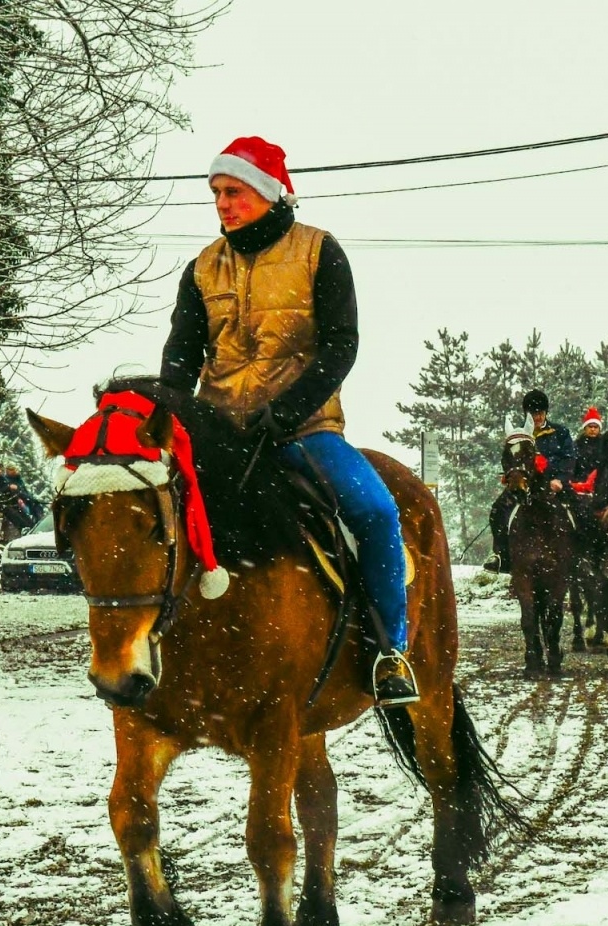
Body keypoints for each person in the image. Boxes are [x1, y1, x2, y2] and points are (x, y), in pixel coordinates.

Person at [158, 136, 417, 705]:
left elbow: (340, 345)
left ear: (270, 193)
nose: (222, 203)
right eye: (216, 194)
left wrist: (287, 412)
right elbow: (180, 357)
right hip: (219, 433)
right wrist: (167, 417)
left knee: (375, 512)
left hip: (304, 431)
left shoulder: (319, 251)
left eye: (234, 192)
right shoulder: (201, 268)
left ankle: (389, 652)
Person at [483, 389, 574, 573]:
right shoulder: (518, 435)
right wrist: (509, 475)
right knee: (498, 510)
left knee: (579, 509)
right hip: (525, 485)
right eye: (533, 413)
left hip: (553, 484)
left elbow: (569, 459)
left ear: (546, 412)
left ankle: (582, 553)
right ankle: (501, 555)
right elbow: (509, 458)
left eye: (540, 412)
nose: (537, 416)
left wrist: (559, 479)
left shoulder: (560, 432)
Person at [570, 407, 604, 494]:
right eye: (590, 426)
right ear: (585, 428)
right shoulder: (576, 445)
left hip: (599, 483)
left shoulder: (605, 444)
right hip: (579, 483)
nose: (593, 429)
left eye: (595, 427)